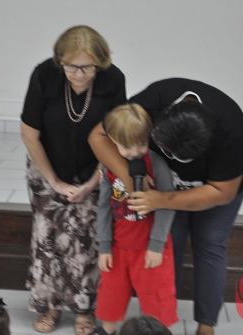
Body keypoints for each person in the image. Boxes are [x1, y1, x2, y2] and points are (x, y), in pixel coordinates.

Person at [89, 78, 243, 335]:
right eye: (163, 149)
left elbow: (223, 193)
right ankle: (159, 322)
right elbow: (100, 135)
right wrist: (131, 180)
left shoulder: (229, 128)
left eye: (180, 157)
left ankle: (206, 325)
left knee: (210, 242)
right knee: (169, 242)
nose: (168, 157)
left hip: (216, 187)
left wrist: (161, 199)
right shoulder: (155, 99)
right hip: (161, 187)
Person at [20, 25, 126, 335]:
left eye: (87, 67)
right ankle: (51, 305)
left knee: (87, 236)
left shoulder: (113, 78)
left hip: (96, 167)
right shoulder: (44, 75)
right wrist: (54, 181)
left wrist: (94, 181)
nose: (79, 74)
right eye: (71, 66)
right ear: (60, 60)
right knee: (48, 235)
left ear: (100, 62)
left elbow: (117, 136)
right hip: (46, 166)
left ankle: (84, 309)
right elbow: (29, 134)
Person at [94, 104, 178, 335]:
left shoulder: (156, 163)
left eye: (142, 144)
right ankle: (106, 331)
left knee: (157, 301)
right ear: (112, 140)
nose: (136, 152)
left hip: (149, 250)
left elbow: (167, 206)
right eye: (127, 147)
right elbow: (103, 207)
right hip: (117, 250)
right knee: (110, 296)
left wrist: (156, 246)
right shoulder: (109, 165)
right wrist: (104, 246)